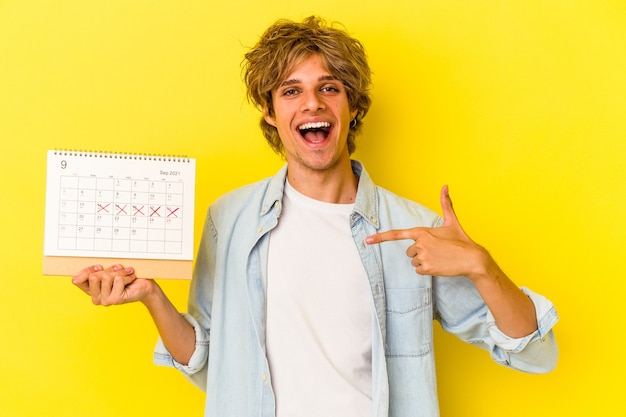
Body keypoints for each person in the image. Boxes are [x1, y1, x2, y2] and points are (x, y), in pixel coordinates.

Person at [72, 16, 559, 417]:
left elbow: (536, 353)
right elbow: (207, 363)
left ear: (351, 106)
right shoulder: (230, 218)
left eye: (329, 87)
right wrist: (152, 298)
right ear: (269, 111)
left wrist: (482, 265)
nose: (312, 103)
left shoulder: (413, 229)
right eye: (290, 91)